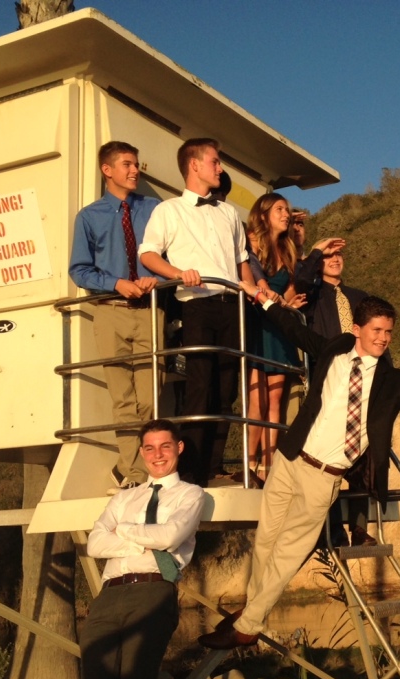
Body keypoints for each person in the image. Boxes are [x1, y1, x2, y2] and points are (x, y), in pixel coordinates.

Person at [199, 295, 400, 649]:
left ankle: (248, 624)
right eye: (377, 330)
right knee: (266, 541)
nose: (383, 338)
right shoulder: (334, 350)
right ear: (356, 330)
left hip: (325, 476)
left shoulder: (395, 381)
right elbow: (295, 333)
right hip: (290, 460)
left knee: (288, 550)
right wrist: (266, 303)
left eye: (389, 332)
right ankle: (251, 613)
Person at [78, 419, 204, 679]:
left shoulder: (192, 494)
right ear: (141, 452)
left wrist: (126, 532)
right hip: (109, 596)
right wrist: (143, 535)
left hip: (153, 592)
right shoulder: (124, 496)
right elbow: (96, 543)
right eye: (149, 448)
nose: (157, 455)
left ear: (179, 448)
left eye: (164, 446)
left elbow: (171, 536)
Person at [139, 138, 253, 487]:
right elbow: (148, 254)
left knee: (227, 388)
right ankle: (190, 472)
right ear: (195, 165)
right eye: (216, 162)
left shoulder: (230, 213)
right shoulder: (169, 210)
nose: (220, 168)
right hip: (196, 304)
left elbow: (241, 261)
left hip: (231, 305)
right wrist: (177, 273)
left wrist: (251, 287)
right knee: (200, 386)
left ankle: (213, 467)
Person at [68, 141, 163, 494]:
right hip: (109, 311)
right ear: (107, 170)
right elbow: (79, 270)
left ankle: (146, 470)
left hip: (151, 310)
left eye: (136, 164)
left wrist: (159, 277)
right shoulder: (89, 217)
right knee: (123, 398)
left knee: (151, 397)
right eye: (127, 164)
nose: (135, 170)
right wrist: (115, 283)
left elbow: (172, 254)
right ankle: (135, 474)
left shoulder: (155, 209)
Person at [295, 245, 373, 545]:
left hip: (361, 380)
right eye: (328, 257)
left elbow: (376, 335)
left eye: (339, 255)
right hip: (328, 380)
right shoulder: (311, 294)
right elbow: (299, 282)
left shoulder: (359, 296)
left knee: (362, 457)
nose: (335, 259)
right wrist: (315, 253)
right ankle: (334, 528)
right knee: (328, 459)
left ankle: (361, 527)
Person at [244, 194, 307, 483]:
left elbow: (292, 288)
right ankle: (249, 461)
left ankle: (268, 464)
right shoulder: (253, 243)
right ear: (265, 213)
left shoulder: (288, 250)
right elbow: (247, 277)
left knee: (277, 398)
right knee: (257, 396)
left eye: (287, 210)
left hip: (278, 326)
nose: (285, 214)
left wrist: (289, 303)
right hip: (258, 323)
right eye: (280, 210)